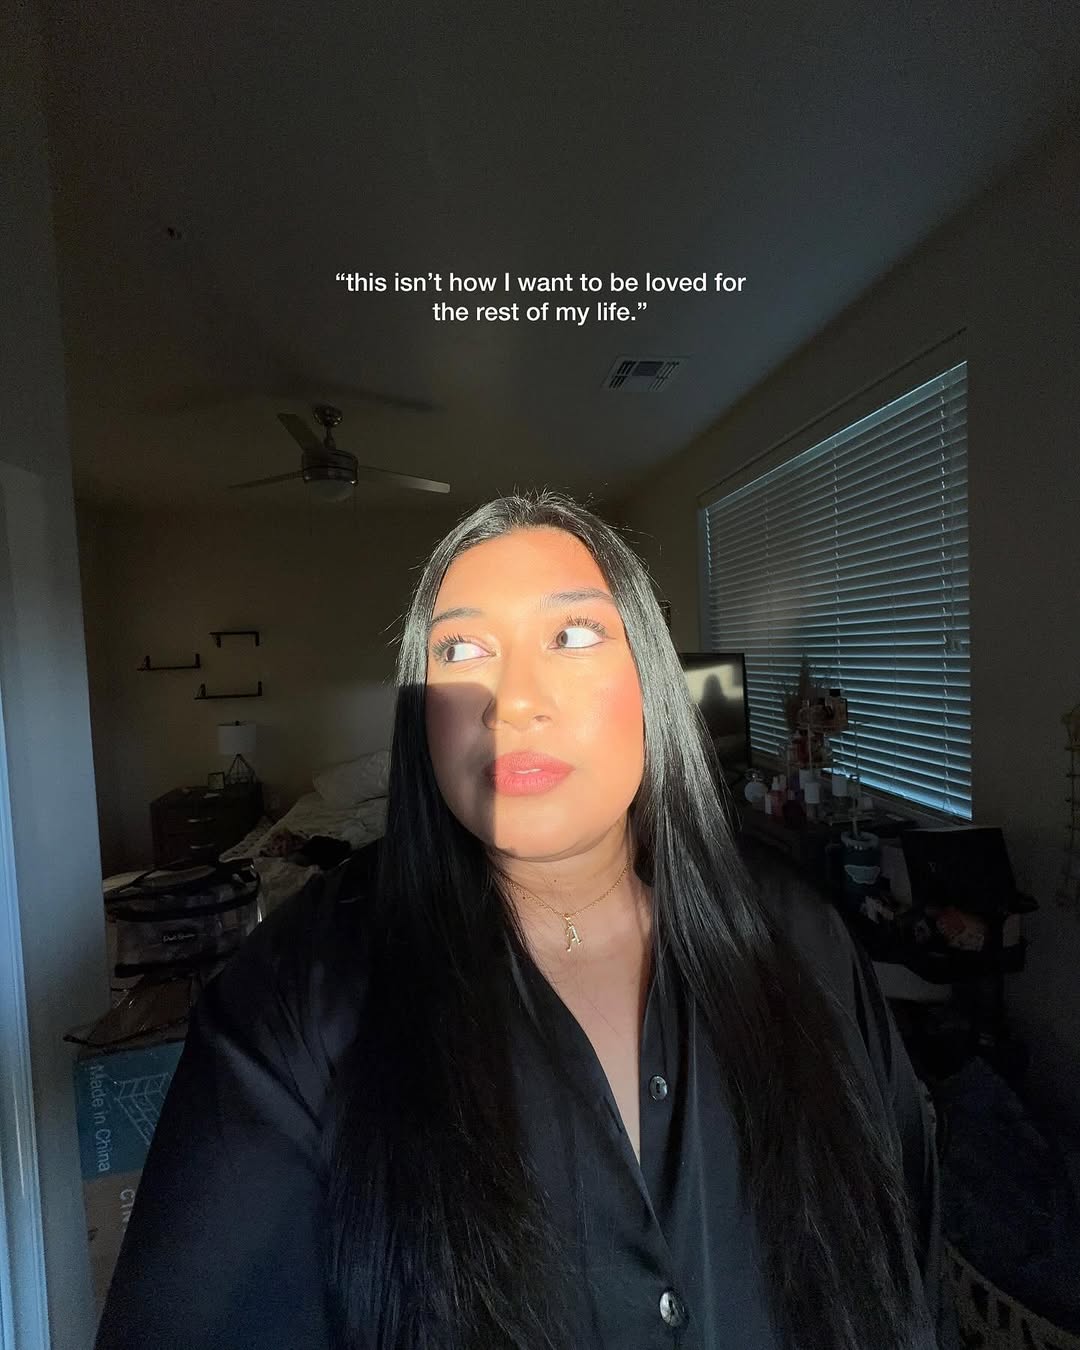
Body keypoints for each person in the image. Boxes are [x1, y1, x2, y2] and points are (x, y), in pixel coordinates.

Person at [95, 490, 946, 1350]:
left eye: (572, 635)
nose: (512, 703)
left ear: (650, 684)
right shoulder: (292, 1004)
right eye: (460, 650)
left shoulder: (802, 940)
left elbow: (907, 1260)